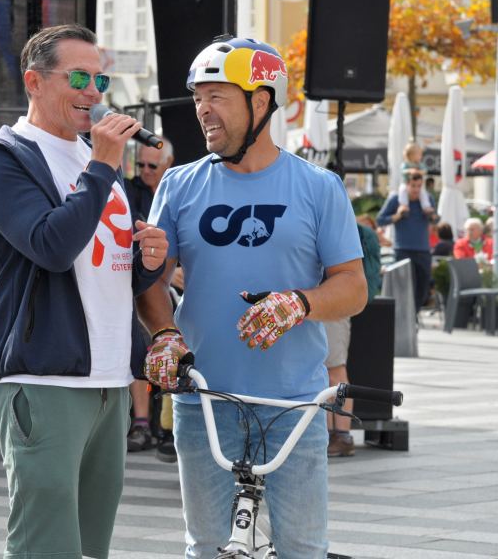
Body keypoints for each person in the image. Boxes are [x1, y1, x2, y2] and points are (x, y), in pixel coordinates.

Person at [136, 37, 366, 556]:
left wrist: (299, 303)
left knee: (302, 547)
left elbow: (353, 286)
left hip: (293, 403)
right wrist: (164, 334)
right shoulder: (177, 185)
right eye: (198, 97)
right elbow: (150, 281)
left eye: (217, 95)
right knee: (207, 545)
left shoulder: (317, 186)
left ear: (261, 101)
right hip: (202, 400)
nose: (202, 109)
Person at [0, 24, 168, 557]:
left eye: (101, 78)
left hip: (110, 381)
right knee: (45, 546)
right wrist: (103, 166)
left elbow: (110, 271)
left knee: (91, 547)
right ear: (34, 81)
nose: (94, 91)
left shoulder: (98, 165)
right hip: (43, 377)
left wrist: (150, 258)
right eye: (79, 76)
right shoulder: (3, 157)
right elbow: (51, 247)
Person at [124, 137, 179, 464]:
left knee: (176, 349)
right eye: (140, 164)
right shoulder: (132, 191)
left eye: (152, 166)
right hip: (143, 281)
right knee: (142, 348)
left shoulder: (180, 188)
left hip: (179, 290)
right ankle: (142, 423)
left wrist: (178, 270)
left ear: (167, 165)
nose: (144, 171)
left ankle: (169, 428)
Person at [326, 219, 382, 458]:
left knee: (335, 370)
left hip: (332, 306)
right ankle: (331, 433)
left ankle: (342, 434)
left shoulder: (348, 227)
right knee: (327, 372)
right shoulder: (346, 226)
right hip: (324, 305)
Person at [377, 168, 437, 311]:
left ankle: (413, 315)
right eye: (413, 186)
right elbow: (380, 220)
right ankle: (406, 318)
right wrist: (397, 216)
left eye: (419, 186)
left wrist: (432, 215)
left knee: (423, 288)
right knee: (404, 287)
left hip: (423, 251)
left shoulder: (427, 200)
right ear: (407, 185)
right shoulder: (396, 200)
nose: (416, 190)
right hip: (402, 250)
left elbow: (436, 221)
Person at [397, 143, 434, 214]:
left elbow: (425, 171)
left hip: (417, 183)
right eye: (419, 154)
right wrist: (409, 171)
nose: (421, 156)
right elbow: (402, 171)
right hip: (406, 183)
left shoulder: (420, 164)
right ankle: (404, 205)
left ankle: (426, 207)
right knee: (402, 191)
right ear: (411, 155)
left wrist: (418, 171)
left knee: (423, 193)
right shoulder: (406, 164)